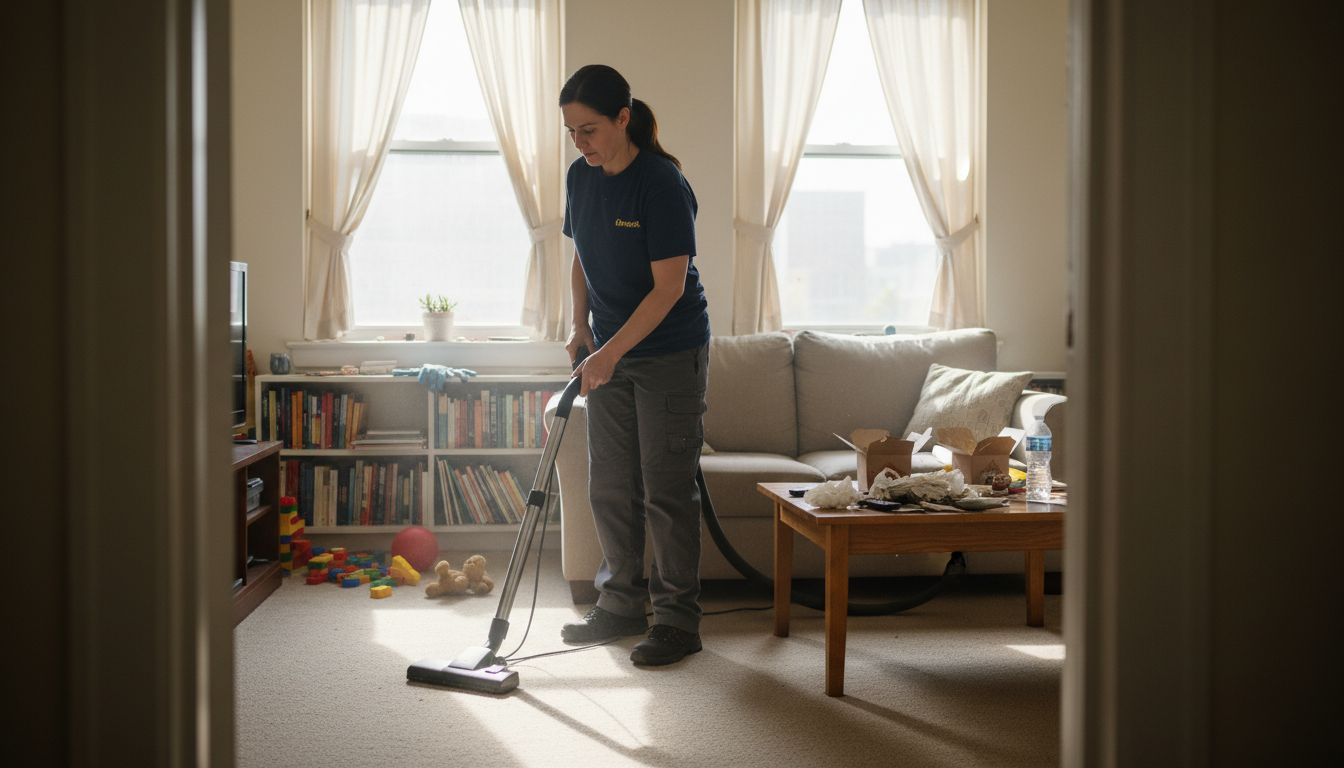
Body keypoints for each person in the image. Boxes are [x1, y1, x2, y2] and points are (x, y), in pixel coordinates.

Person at [557, 64, 711, 666]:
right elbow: (582, 258)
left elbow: (669, 288)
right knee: (611, 485)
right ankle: (619, 603)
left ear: (624, 119)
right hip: (609, 350)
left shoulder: (662, 184)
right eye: (571, 132)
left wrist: (608, 353)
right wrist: (579, 327)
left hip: (668, 350)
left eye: (590, 130)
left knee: (666, 491)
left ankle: (677, 622)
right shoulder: (581, 176)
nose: (581, 144)